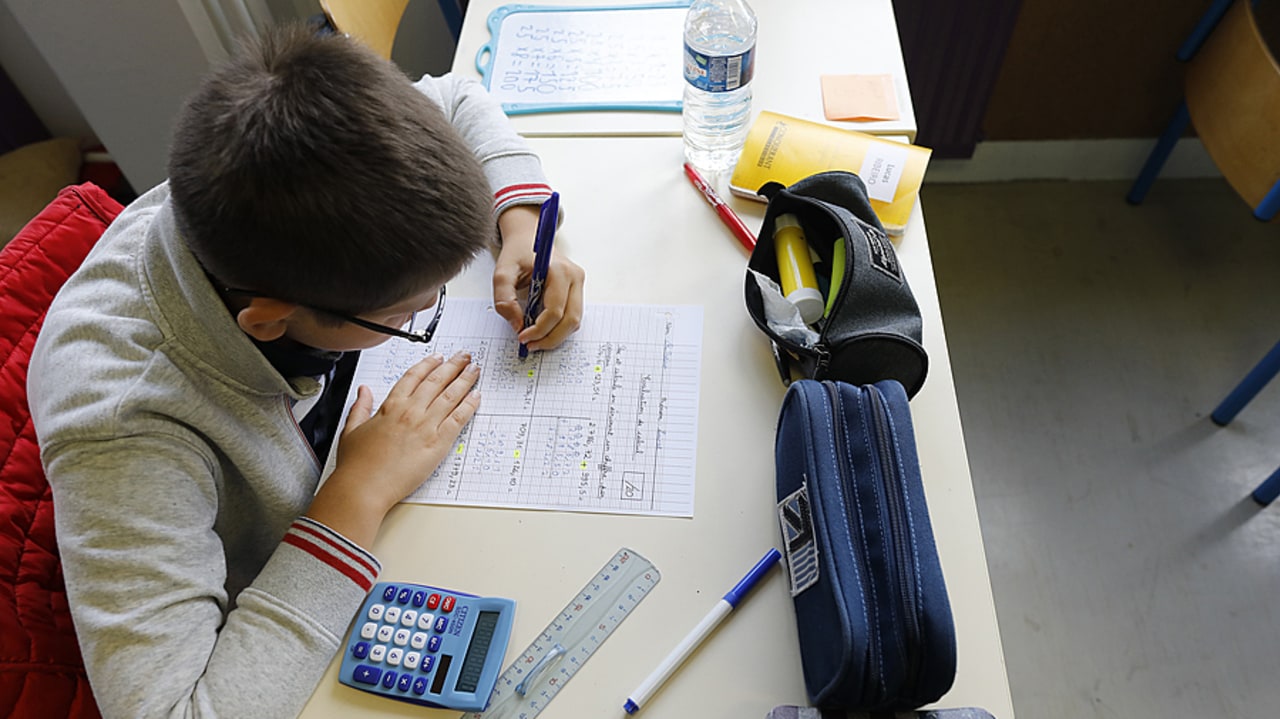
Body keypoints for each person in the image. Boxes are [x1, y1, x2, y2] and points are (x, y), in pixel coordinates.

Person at [27, 23, 583, 718]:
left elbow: (457, 95)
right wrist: (357, 491)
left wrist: (523, 220)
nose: (425, 319)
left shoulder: (268, 172)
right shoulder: (127, 428)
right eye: (406, 315)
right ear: (267, 320)